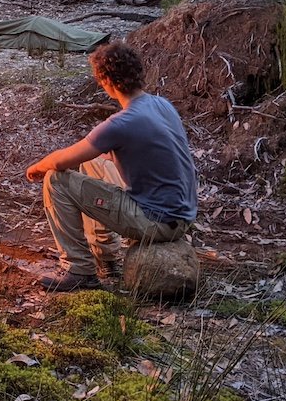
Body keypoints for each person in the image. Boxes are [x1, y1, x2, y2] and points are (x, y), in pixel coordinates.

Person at [24, 41, 198, 292]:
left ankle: (79, 270)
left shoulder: (122, 122)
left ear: (106, 81)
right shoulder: (161, 105)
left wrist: (38, 166)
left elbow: (61, 161)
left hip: (157, 222)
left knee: (56, 180)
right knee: (93, 160)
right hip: (180, 213)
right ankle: (106, 258)